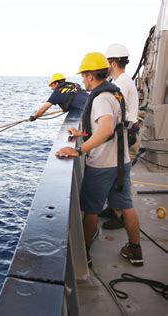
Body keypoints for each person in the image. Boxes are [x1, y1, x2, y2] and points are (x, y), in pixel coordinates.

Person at [55, 52, 143, 267]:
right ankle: (135, 250)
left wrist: (80, 149)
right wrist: (84, 134)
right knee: (126, 206)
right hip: (121, 162)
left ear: (91, 75)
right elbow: (112, 129)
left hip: (102, 165)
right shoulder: (115, 93)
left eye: (84, 75)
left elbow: (104, 130)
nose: (83, 80)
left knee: (91, 210)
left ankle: (83, 253)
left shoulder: (101, 98)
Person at [100, 43, 141, 229]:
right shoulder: (122, 80)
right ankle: (113, 207)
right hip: (126, 132)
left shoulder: (121, 83)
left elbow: (115, 109)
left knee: (121, 178)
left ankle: (120, 216)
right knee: (118, 175)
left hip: (127, 134)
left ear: (113, 63)